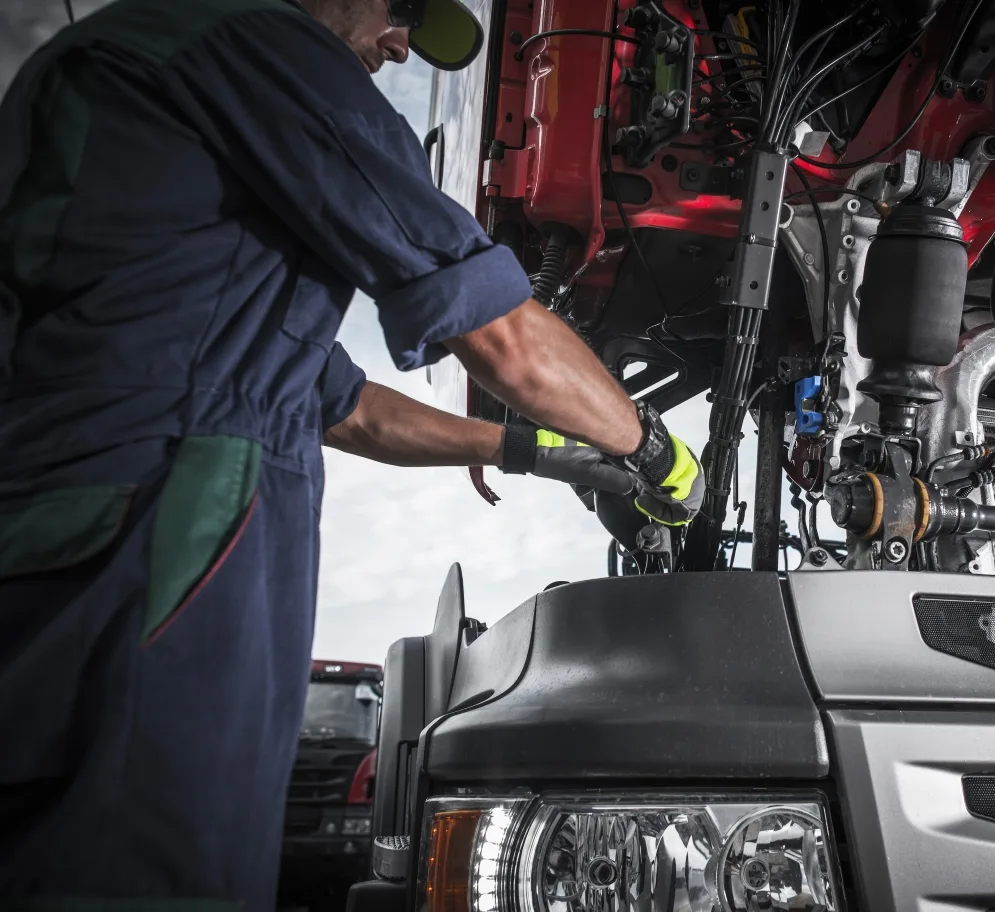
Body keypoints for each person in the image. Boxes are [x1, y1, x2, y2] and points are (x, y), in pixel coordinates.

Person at [0, 0, 701, 902]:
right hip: (158, 530)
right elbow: (504, 339)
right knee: (147, 866)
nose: (402, 44)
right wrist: (657, 452)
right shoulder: (257, 48)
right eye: (401, 9)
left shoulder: (148, 99)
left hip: (74, 524)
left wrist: (530, 450)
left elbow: (346, 407)